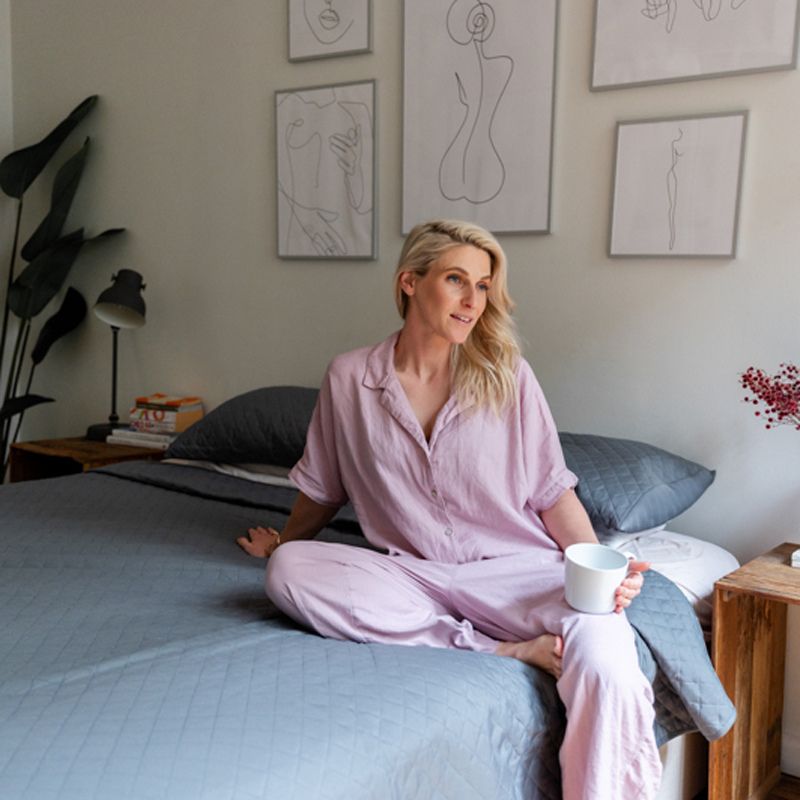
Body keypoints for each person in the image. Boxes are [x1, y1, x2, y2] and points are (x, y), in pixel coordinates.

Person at [237, 219, 662, 798]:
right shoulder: (349, 378)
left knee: (608, 663)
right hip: (414, 574)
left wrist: (600, 571)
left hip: (517, 573)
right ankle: (499, 649)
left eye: (483, 286)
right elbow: (324, 486)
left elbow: (550, 491)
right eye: (457, 279)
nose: (472, 300)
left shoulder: (507, 376)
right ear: (410, 282)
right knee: (289, 572)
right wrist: (286, 545)